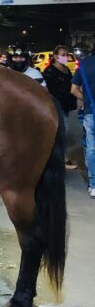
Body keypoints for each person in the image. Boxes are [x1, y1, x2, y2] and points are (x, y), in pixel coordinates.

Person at [43, 45, 78, 169]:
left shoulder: (67, 70)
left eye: (66, 54)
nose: (66, 57)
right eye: (63, 55)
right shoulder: (49, 72)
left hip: (66, 105)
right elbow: (48, 91)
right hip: (56, 106)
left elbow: (70, 87)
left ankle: (61, 159)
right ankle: (63, 160)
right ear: (55, 57)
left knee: (62, 133)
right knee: (63, 132)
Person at [71, 47, 95, 199]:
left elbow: (73, 90)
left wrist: (86, 98)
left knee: (92, 148)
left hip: (90, 112)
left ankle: (93, 185)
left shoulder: (84, 64)